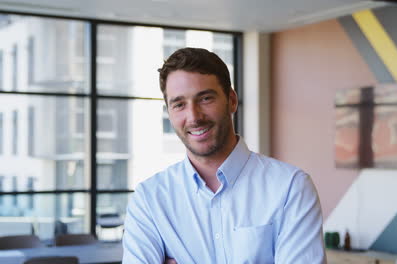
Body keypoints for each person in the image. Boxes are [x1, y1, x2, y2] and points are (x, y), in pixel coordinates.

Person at [122, 47, 326, 264]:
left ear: (231, 100)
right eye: (179, 104)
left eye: (205, 99)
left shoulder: (290, 188)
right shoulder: (149, 200)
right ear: (169, 112)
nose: (194, 117)